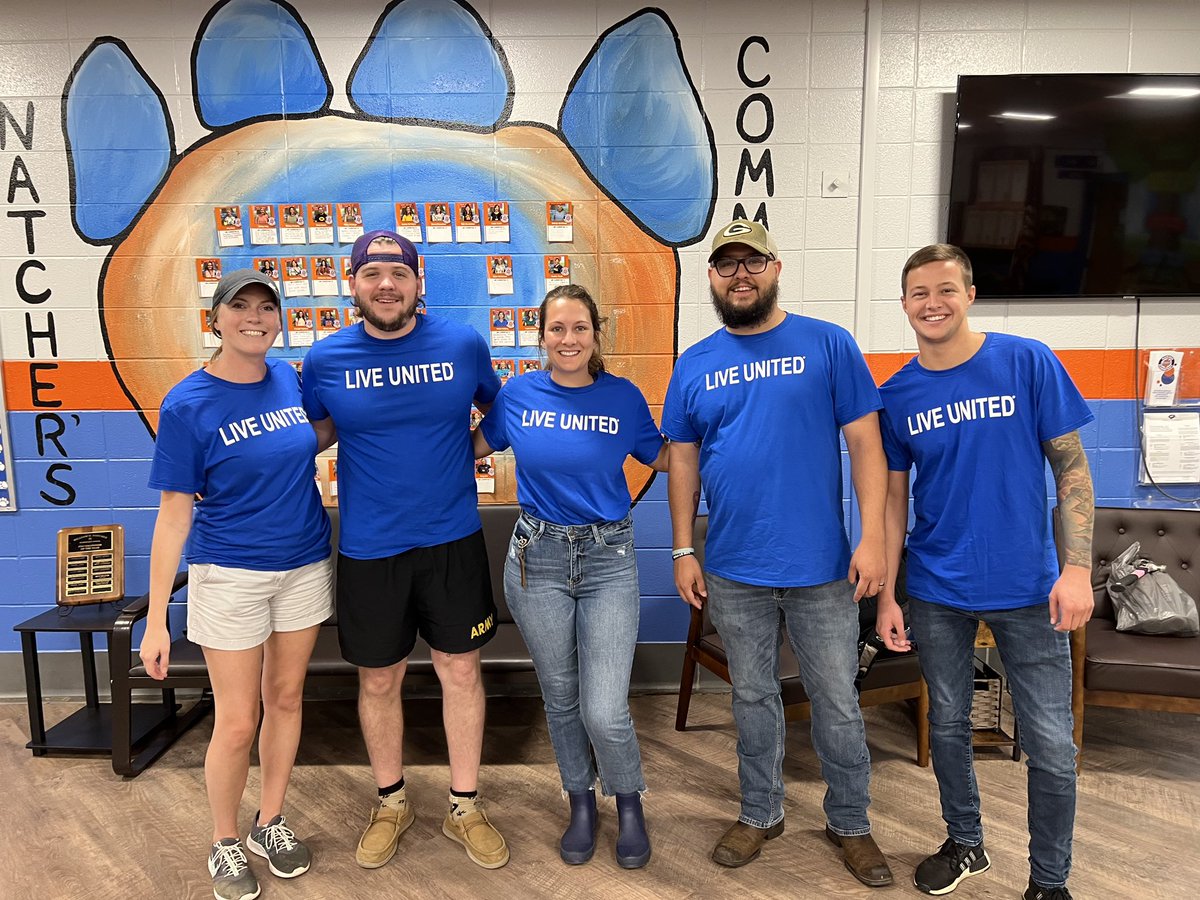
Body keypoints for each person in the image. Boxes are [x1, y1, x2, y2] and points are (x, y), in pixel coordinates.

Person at [662, 219, 893, 888]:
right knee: (752, 699)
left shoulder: (829, 344)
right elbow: (682, 458)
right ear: (711, 276)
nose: (740, 274)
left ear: (776, 267)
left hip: (823, 569)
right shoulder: (695, 362)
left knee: (838, 702)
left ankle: (850, 822)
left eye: (752, 262)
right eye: (726, 264)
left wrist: (873, 539)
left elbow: (867, 447)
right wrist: (682, 546)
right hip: (733, 568)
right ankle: (761, 812)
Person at [876, 244, 1094, 900]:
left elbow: (1073, 468)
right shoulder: (897, 395)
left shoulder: (1026, 361)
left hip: (1030, 588)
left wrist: (1077, 567)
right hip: (938, 588)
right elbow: (892, 502)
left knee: (1052, 745)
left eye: (945, 289)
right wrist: (889, 595)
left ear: (970, 294)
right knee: (947, 724)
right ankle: (965, 842)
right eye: (918, 292)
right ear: (906, 304)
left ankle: (1050, 883)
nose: (932, 303)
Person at [300, 230, 509, 871]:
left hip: (452, 541)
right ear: (352, 282)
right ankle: (391, 800)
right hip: (369, 548)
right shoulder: (325, 359)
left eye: (398, 272)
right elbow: (308, 434)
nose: (385, 284)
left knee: (460, 671)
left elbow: (499, 410)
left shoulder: (462, 344)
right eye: (371, 273)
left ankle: (464, 804)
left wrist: (467, 452)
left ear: (419, 283)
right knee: (379, 678)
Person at [140, 269, 334, 900]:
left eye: (266, 308)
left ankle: (269, 821)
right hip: (228, 574)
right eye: (241, 307)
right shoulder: (188, 404)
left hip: (304, 563)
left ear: (279, 319)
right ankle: (225, 842)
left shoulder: (290, 380)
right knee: (236, 717)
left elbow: (314, 436)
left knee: (285, 700)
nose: (256, 317)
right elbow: (174, 514)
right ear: (216, 319)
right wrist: (158, 617)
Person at [472, 284, 667, 868]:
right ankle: (580, 802)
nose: (568, 339)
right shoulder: (518, 395)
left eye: (579, 328)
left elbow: (663, 456)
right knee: (560, 696)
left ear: (595, 335)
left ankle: (628, 802)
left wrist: (735, 451)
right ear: (541, 337)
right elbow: (470, 448)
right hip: (539, 560)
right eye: (556, 329)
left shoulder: (624, 398)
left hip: (609, 558)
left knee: (604, 706)